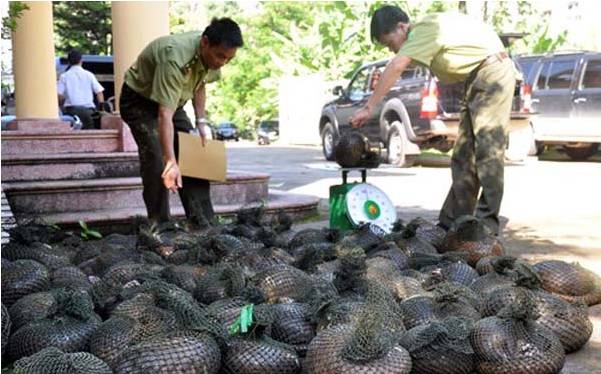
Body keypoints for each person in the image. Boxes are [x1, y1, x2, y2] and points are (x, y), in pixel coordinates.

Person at [350, 6, 518, 235]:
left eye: (390, 43)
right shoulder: (424, 34)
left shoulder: (423, 30)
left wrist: (368, 107)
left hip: (492, 73)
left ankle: (487, 224)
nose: (393, 50)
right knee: (462, 156)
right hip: (476, 78)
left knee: (487, 150)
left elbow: (397, 65)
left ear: (402, 27)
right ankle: (454, 222)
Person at [119, 18, 243, 227]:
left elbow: (200, 84)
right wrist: (171, 161)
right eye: (220, 56)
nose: (222, 63)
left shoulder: (212, 56)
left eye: (228, 59)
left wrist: (201, 121)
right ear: (205, 42)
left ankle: (202, 221)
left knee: (193, 155)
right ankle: (160, 225)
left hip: (172, 102)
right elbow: (164, 115)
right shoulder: (174, 57)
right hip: (139, 101)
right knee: (157, 160)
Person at [57, 49, 108, 129]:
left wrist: (61, 104)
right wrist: (101, 108)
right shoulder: (89, 75)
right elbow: (99, 92)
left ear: (69, 62)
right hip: (89, 111)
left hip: (71, 111)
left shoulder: (64, 76)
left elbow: (59, 95)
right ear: (81, 61)